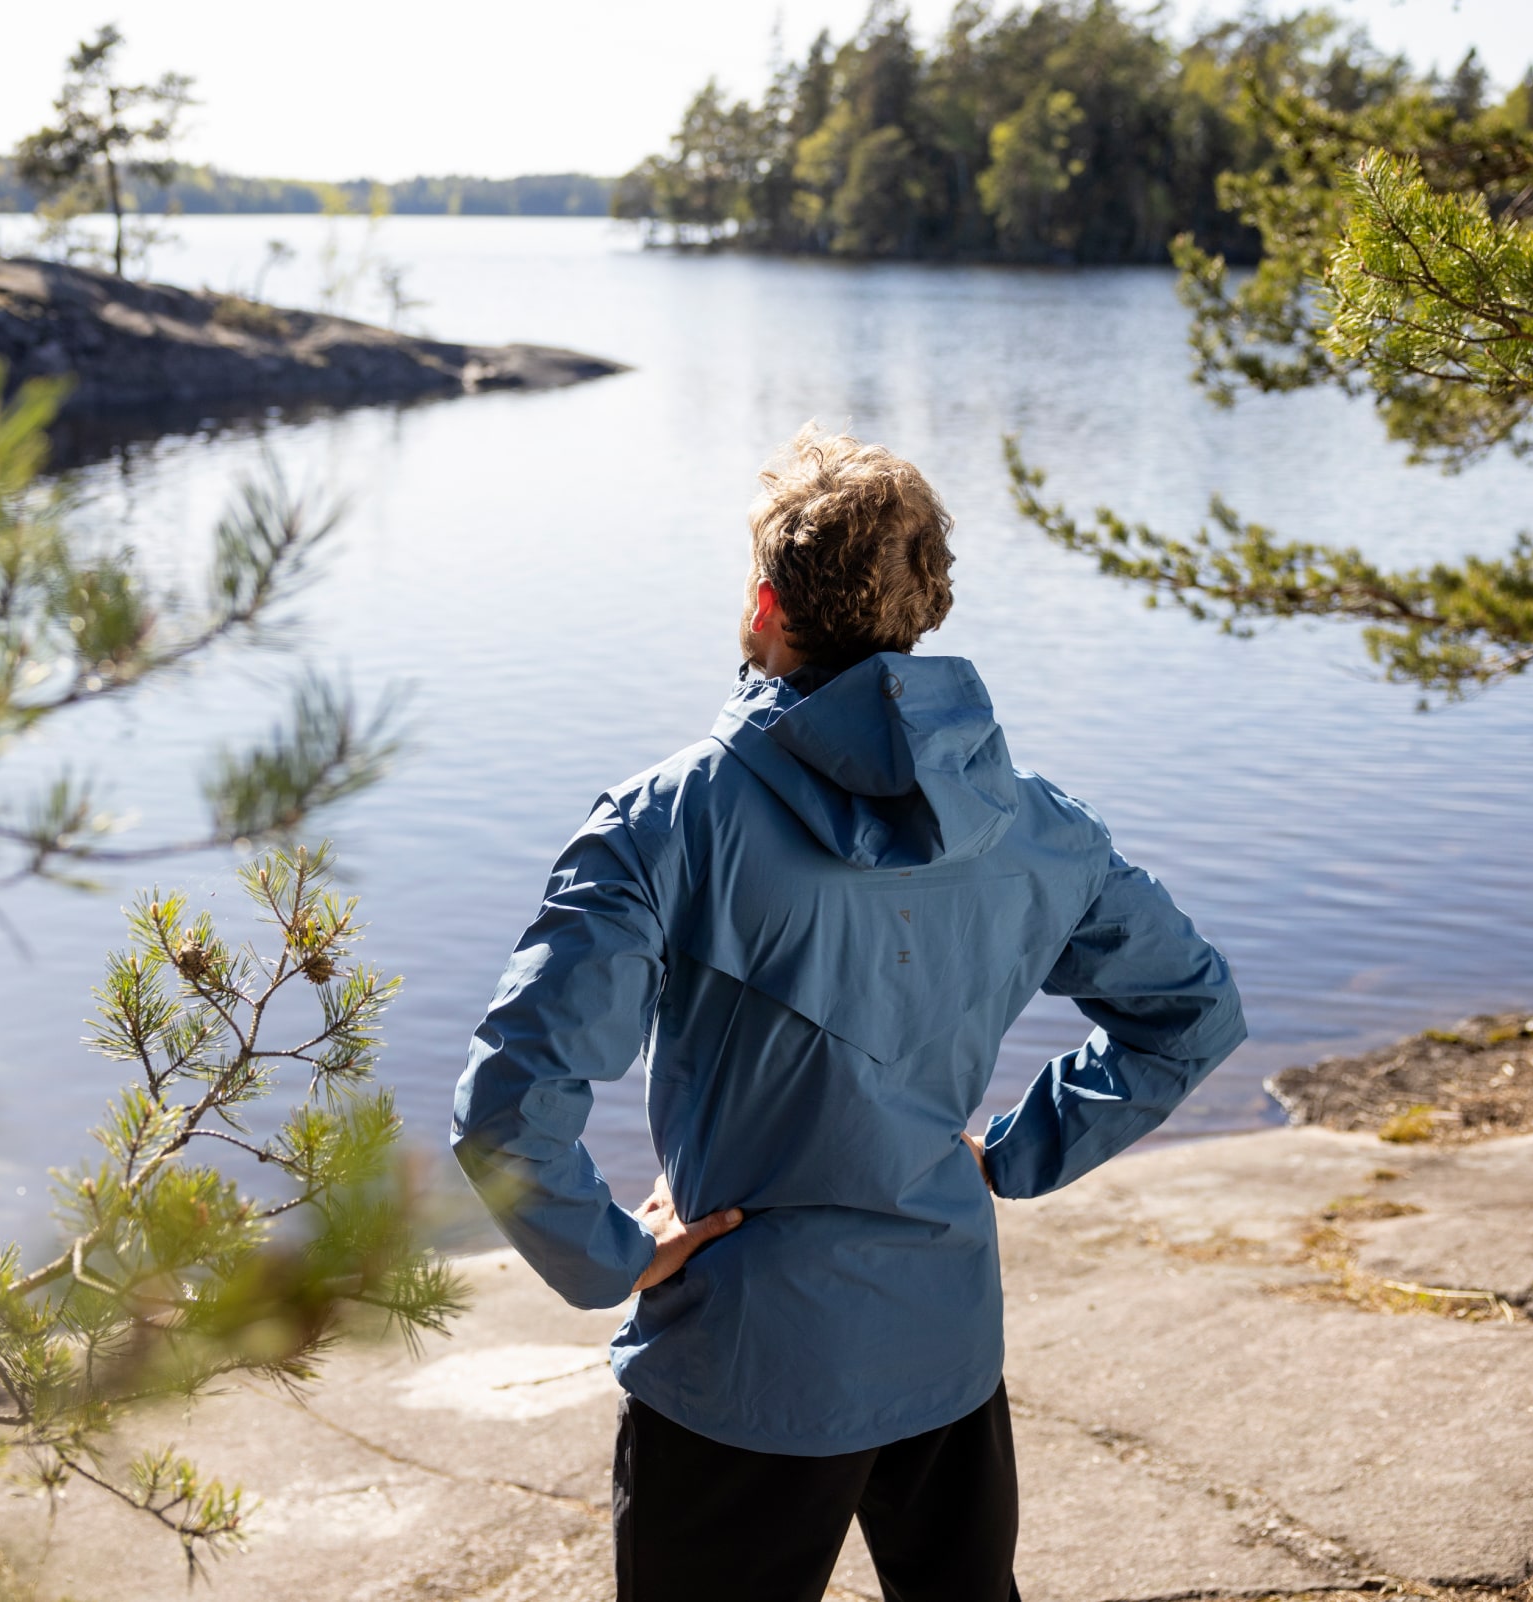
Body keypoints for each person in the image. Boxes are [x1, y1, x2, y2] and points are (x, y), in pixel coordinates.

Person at [451, 426, 1246, 1602]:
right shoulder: (1035, 824)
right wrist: (1016, 1153)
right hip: (943, 1344)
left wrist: (616, 1257)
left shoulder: (664, 819)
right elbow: (1185, 1011)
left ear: (767, 603)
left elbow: (510, 1112)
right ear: (922, 608)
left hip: (744, 1368)